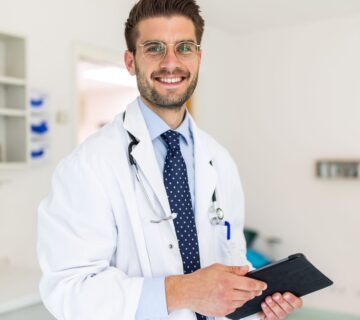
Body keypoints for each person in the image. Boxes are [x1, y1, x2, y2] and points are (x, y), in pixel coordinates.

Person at [37, 0, 303, 319]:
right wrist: (184, 290)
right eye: (154, 48)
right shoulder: (87, 166)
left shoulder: (219, 159)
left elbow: (233, 255)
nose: (171, 62)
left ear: (199, 57)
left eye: (184, 48)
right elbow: (69, 290)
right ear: (130, 61)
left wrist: (257, 305)